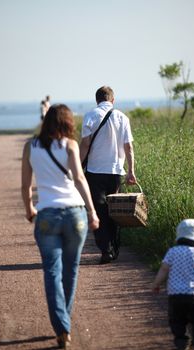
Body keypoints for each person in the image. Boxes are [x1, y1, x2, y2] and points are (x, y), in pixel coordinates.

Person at [21, 104, 99, 349]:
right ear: (67, 122)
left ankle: (62, 327)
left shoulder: (30, 146)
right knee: (70, 270)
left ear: (45, 122)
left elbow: (26, 187)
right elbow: (79, 178)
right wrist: (92, 211)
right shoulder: (70, 145)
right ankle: (63, 322)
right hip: (75, 214)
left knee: (52, 272)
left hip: (46, 215)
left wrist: (29, 210)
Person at [80, 86, 136, 264]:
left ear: (97, 100)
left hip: (94, 171)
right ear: (113, 100)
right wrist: (131, 171)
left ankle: (106, 249)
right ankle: (114, 246)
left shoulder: (90, 115)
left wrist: (78, 166)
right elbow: (129, 147)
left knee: (98, 211)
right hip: (115, 172)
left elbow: (85, 144)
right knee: (114, 210)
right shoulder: (122, 117)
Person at [152, 219, 194, 350]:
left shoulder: (172, 252)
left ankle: (182, 343)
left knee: (178, 322)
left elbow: (164, 269)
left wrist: (156, 284)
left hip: (175, 296)